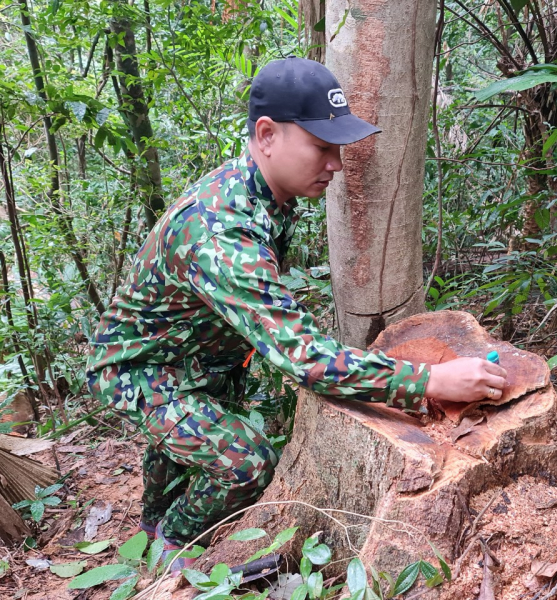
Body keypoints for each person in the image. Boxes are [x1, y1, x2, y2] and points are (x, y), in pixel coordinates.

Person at [85, 57, 507, 571]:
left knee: (186, 442)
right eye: (322, 147)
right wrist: (430, 381)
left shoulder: (262, 193)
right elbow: (303, 358)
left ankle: (155, 527)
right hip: (138, 369)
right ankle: (171, 549)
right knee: (246, 462)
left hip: (197, 357)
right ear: (267, 135)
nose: (336, 164)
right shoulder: (222, 233)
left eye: (337, 148)